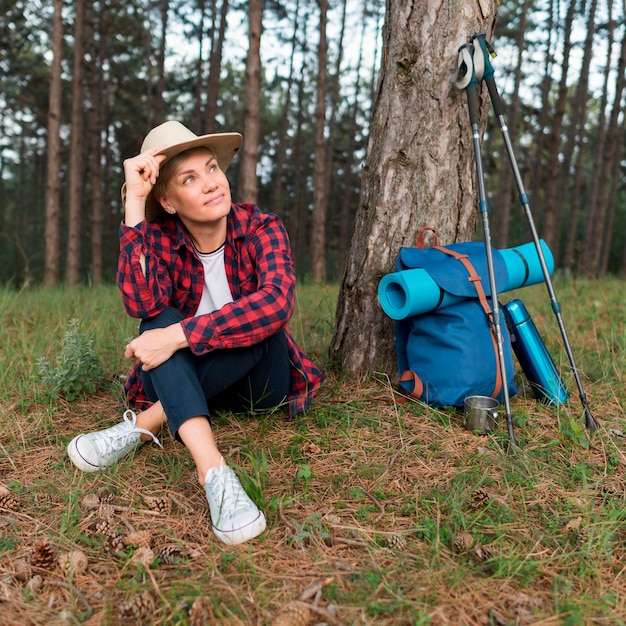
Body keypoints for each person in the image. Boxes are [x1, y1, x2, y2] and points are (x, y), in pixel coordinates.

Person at [67, 120, 323, 545]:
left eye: (212, 169)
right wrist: (135, 203)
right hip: (189, 381)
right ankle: (215, 474)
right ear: (167, 200)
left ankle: (144, 424)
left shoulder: (261, 227)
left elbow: (276, 303)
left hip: (259, 384)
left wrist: (176, 337)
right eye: (190, 178)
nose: (211, 184)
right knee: (156, 320)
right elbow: (141, 306)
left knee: (259, 324)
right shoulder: (161, 239)